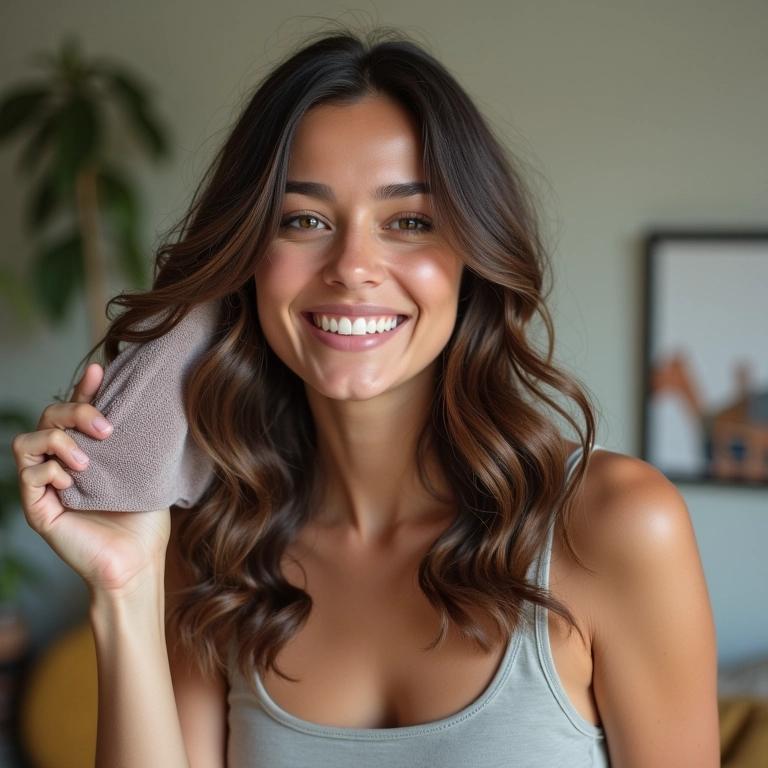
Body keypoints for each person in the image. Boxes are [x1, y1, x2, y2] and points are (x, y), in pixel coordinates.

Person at [12, 27, 719, 768]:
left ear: (470, 258)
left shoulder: (617, 526)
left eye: (409, 222)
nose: (353, 267)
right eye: (304, 221)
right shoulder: (212, 547)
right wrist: (124, 586)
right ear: (248, 262)